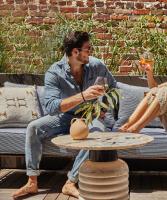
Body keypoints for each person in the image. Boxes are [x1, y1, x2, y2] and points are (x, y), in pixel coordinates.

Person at [12, 31, 117, 199]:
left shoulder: (97, 66)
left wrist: (103, 108)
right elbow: (52, 107)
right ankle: (32, 182)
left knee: (97, 133)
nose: (91, 51)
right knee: (33, 127)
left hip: (89, 116)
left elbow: (113, 87)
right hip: (64, 116)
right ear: (75, 52)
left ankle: (70, 182)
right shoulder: (54, 72)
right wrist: (83, 96)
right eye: (88, 48)